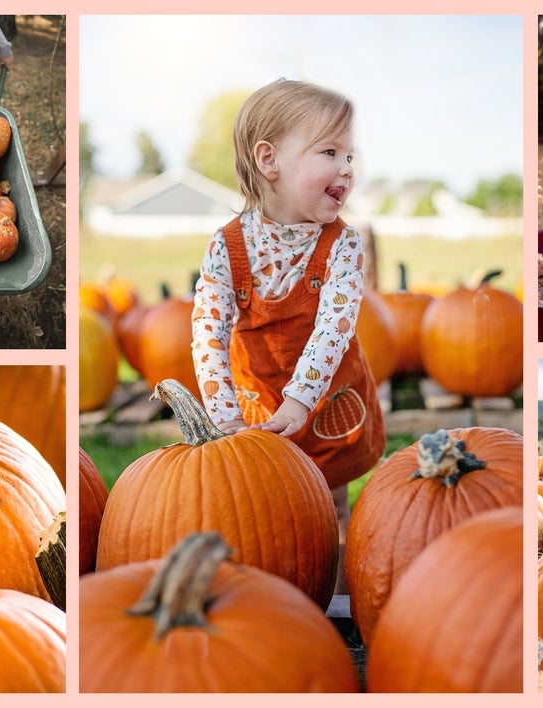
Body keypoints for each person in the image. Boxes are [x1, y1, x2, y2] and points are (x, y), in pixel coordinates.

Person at [190, 79, 386, 591]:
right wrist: (223, 416)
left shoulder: (342, 244)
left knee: (333, 502)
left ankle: (335, 600)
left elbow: (333, 328)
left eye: (350, 155)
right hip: (257, 402)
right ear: (268, 160)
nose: (347, 167)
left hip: (326, 400)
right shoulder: (227, 247)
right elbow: (207, 332)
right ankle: (275, 591)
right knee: (267, 507)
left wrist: (301, 400)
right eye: (329, 151)